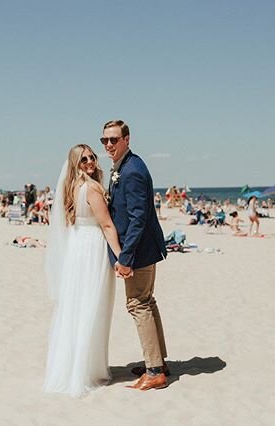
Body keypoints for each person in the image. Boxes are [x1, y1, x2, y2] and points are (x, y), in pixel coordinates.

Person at [44, 144, 123, 398]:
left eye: (91, 156)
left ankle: (78, 365)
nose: (90, 161)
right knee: (91, 304)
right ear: (75, 164)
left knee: (78, 305)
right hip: (91, 248)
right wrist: (122, 257)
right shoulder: (90, 188)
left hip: (78, 247)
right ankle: (84, 370)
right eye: (83, 159)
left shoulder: (73, 187)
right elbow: (107, 225)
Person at [102, 119, 169, 391]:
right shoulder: (125, 166)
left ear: (127, 139)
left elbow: (138, 218)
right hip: (143, 248)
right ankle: (158, 362)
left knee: (138, 305)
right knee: (147, 302)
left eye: (114, 140)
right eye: (104, 140)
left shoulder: (132, 171)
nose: (108, 145)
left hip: (139, 250)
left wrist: (125, 257)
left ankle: (154, 371)